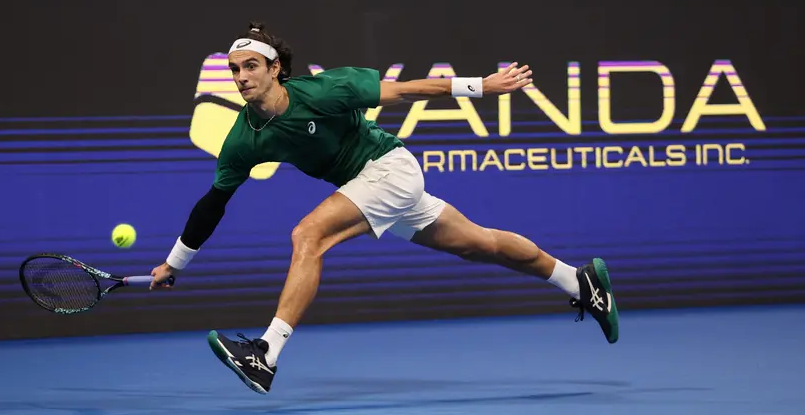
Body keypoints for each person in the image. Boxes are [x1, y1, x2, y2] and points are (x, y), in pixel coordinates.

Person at [148, 22, 619, 395]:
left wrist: (483, 85)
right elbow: (213, 204)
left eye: (251, 66)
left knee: (308, 235)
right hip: (370, 187)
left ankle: (265, 354)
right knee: (480, 244)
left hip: (388, 169)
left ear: (275, 69)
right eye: (234, 69)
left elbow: (410, 89)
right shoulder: (243, 138)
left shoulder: (323, 91)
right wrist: (175, 263)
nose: (241, 77)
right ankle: (578, 280)